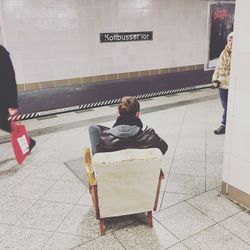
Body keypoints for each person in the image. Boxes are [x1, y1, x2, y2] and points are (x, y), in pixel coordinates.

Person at [89, 96, 168, 155]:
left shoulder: (105, 140)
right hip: (140, 175)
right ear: (137, 114)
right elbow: (164, 148)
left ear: (118, 114)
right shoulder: (150, 137)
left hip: (114, 175)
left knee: (94, 128)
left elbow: (98, 158)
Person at [0, 44, 36, 152]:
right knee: (3, 123)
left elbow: (10, 78)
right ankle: (28, 141)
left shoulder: (1, 52)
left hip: (3, 97)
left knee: (3, 122)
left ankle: (28, 141)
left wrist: (12, 105)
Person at [212, 32, 233, 135]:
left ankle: (224, 125)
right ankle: (225, 125)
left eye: (232, 39)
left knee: (229, 107)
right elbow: (218, 67)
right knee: (226, 107)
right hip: (222, 84)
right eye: (229, 39)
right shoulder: (223, 53)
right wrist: (215, 79)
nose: (230, 41)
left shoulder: (238, 53)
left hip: (232, 85)